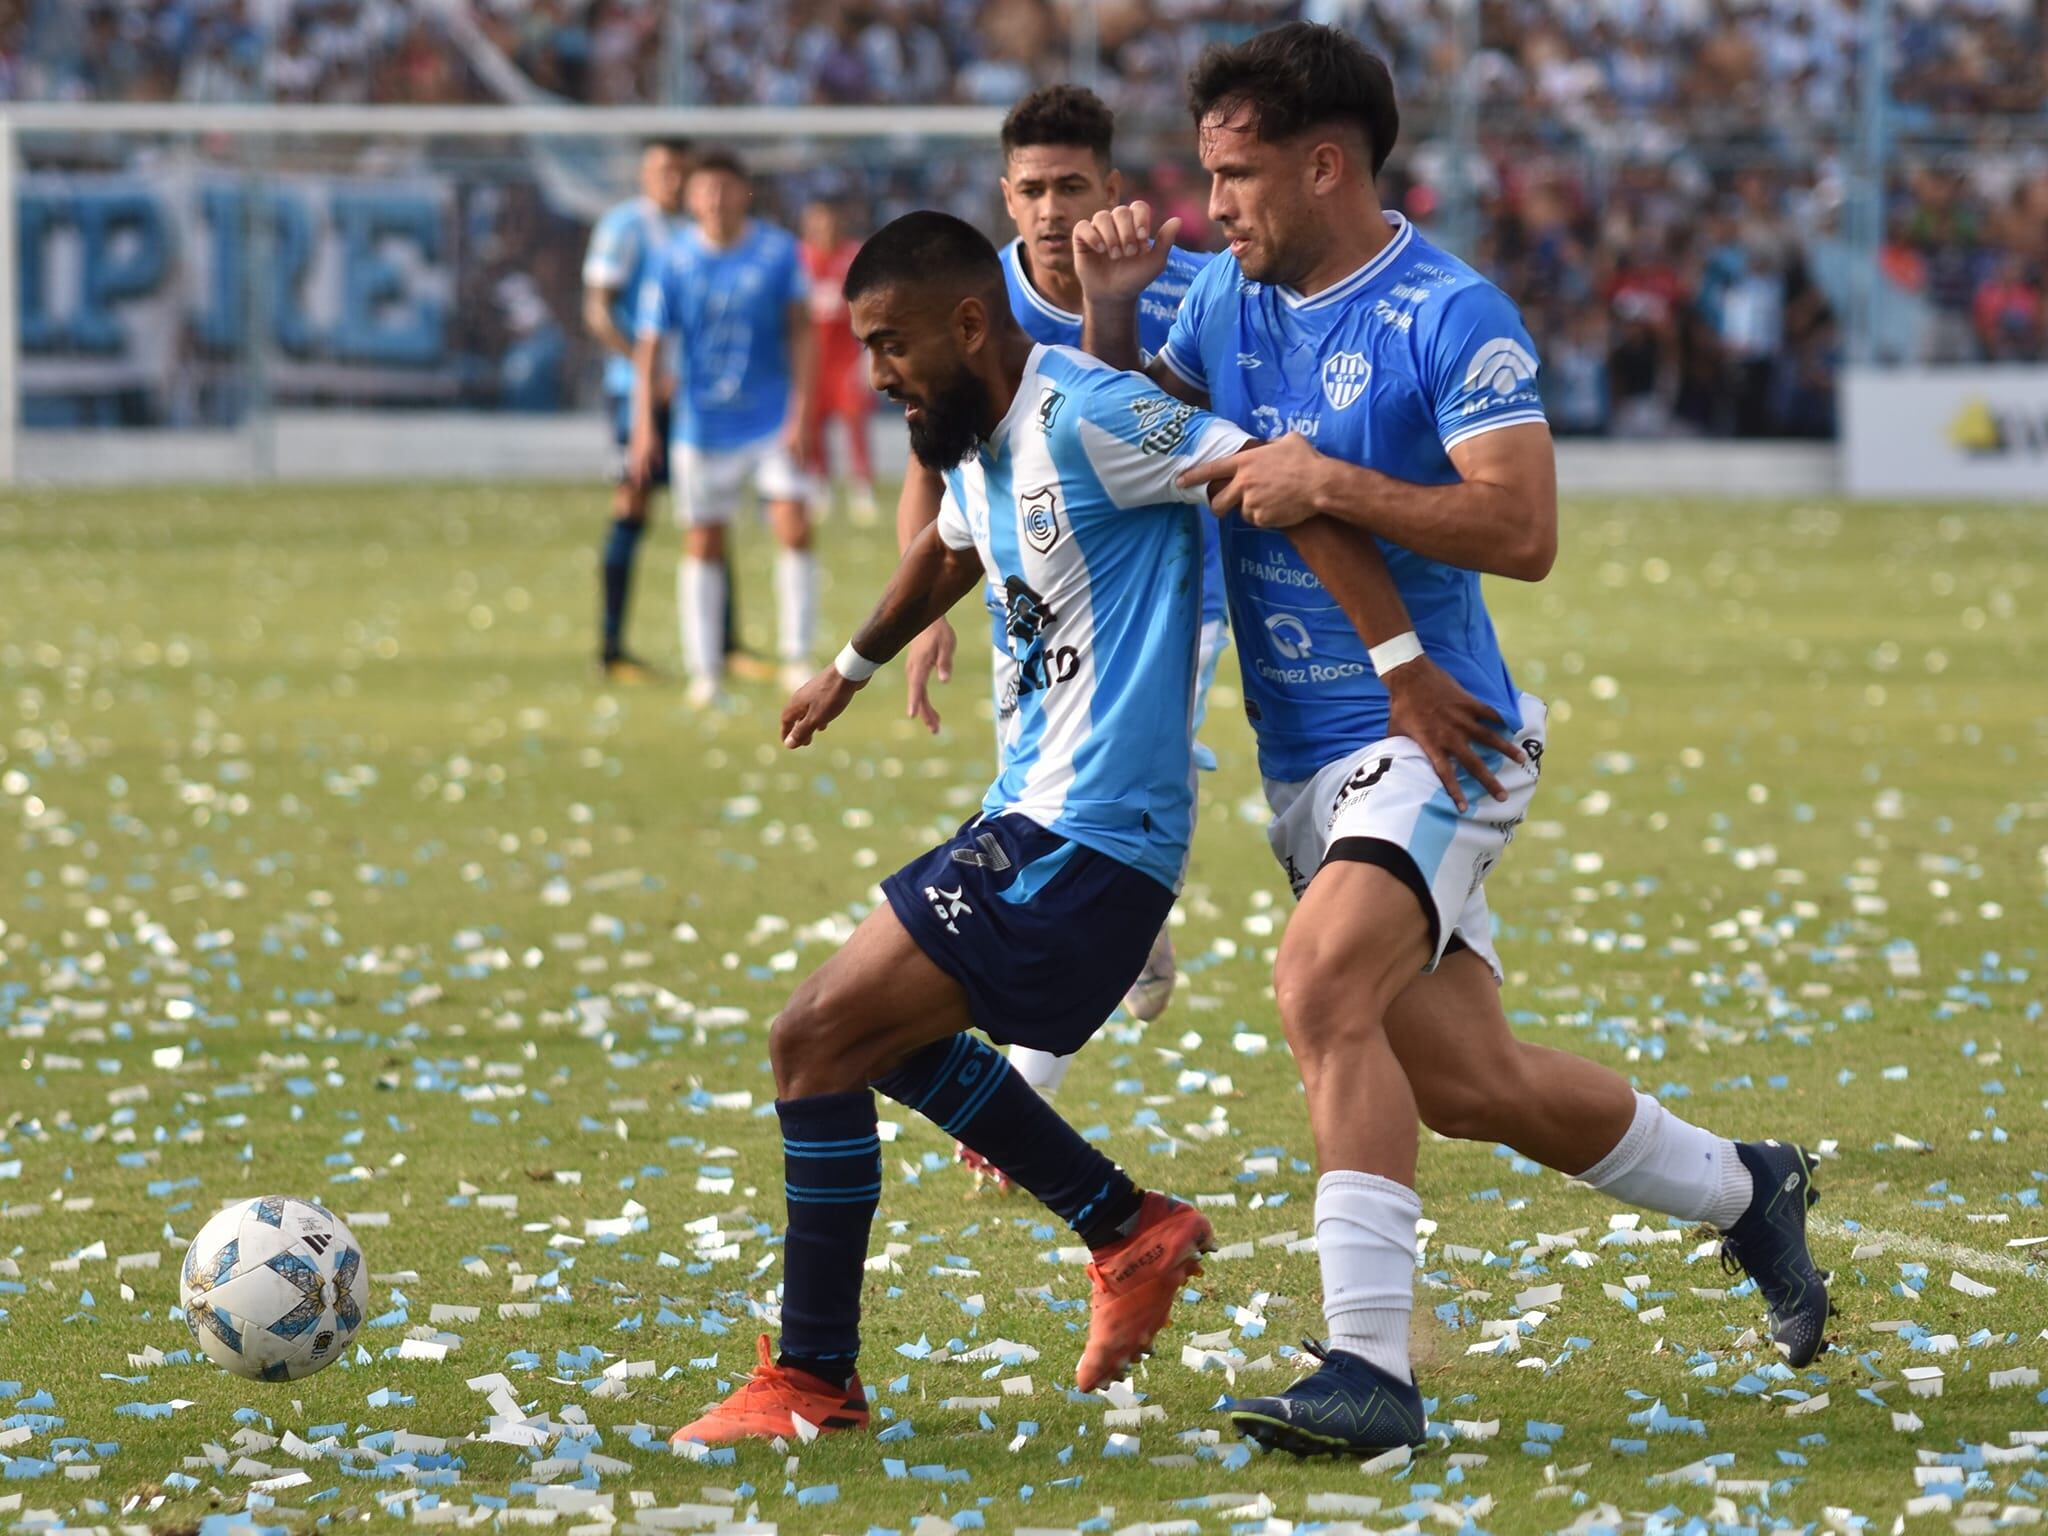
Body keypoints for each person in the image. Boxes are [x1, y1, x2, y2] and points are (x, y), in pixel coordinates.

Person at [1074, 22, 1828, 1456]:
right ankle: (1751, 1189)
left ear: (1325, 164)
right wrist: (1114, 318)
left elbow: (1523, 530)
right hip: (1312, 763)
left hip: (1441, 735)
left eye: (1234, 176)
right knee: (1474, 1086)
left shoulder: (1449, 312)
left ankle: (1373, 1374)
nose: (1211, 204)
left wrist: (1329, 477)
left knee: (1316, 986)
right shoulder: (1228, 305)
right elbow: (1165, 437)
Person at [671, 211, 1252, 1446]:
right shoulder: (980, 445)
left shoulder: (1084, 413)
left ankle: (818, 1379)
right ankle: (1123, 1226)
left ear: (969, 325)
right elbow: (949, 554)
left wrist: (1393, 656)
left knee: (811, 1040)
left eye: (888, 346)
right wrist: (848, 665)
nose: (875, 375)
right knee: (867, 1042)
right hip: (1032, 821)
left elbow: (1256, 468)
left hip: (1088, 841)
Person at [894, 85, 1220, 1165]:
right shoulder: (969, 299)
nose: (1048, 209)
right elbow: (930, 461)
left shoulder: (1181, 287)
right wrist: (920, 612)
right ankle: (1134, 931)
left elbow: (1139, 434)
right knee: (1043, 791)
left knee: (1096, 785)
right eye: (1029, 188)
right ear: (1004, 194)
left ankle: (1021, 1093)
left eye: (1070, 187)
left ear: (1109, 190)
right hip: (1024, 588)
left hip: (1172, 592)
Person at [631, 148, 820, 706]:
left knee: (793, 523)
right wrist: (645, 423)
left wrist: (803, 411)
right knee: (704, 539)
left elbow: (803, 332)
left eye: (724, 188)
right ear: (690, 198)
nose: (714, 199)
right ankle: (704, 671)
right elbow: (649, 346)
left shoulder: (779, 253)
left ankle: (796, 655)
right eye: (703, 189)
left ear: (745, 193)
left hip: (770, 419)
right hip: (702, 425)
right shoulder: (672, 260)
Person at [581, 139, 687, 681]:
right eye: (661, 169)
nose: (671, 179)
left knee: (704, 506)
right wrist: (645, 368)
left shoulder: (692, 230)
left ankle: (725, 644)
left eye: (678, 170)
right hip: (634, 392)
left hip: (689, 393)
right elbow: (597, 311)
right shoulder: (625, 227)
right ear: (645, 174)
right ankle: (610, 648)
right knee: (633, 499)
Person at [799, 200, 880, 525]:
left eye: (830, 223)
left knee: (855, 425)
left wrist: (868, 357)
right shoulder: (799, 259)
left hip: (845, 361)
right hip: (811, 362)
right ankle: (820, 488)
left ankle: (862, 491)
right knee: (812, 428)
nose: (825, 230)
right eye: (818, 224)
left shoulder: (854, 258)